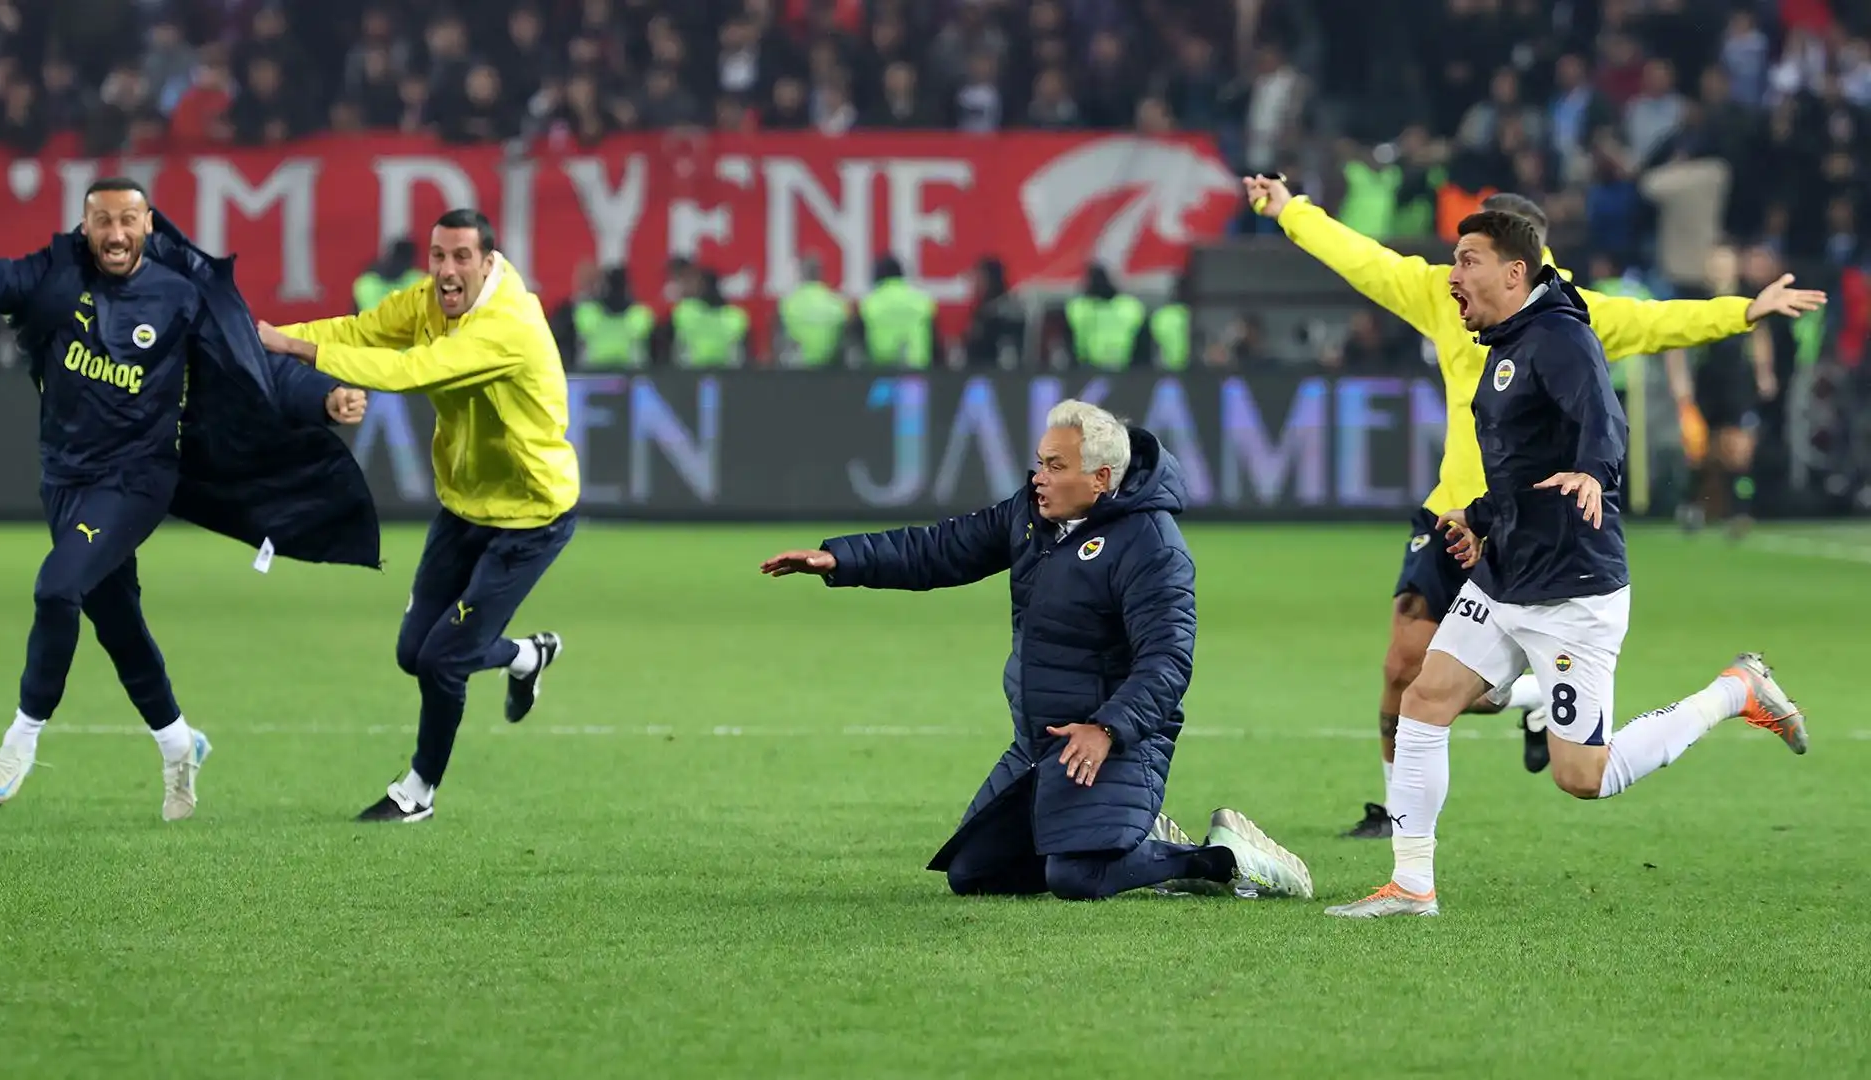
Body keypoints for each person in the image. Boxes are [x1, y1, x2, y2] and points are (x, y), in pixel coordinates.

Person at [1241, 176, 1825, 838]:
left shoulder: (1569, 319)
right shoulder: (1442, 292)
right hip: (1455, 514)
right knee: (1408, 668)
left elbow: (1659, 323)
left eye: (1477, 257)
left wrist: (1743, 310)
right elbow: (1361, 259)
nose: (1462, 271)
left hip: (1529, 531)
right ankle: (1403, 812)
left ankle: (1545, 701)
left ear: (1523, 265)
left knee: (1474, 702)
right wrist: (1290, 209)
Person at [759, 400, 1314, 901]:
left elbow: (1167, 660)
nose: (1038, 478)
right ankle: (1132, 841)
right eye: (1039, 462)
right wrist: (842, 560)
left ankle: (1225, 859)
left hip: (1112, 743)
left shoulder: (1152, 546)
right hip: (1039, 745)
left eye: (1055, 466)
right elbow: (942, 549)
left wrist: (1108, 729)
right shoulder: (1032, 516)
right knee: (975, 874)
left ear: (1100, 478)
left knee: (1076, 877)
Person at [0, 177, 380, 820]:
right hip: (65, 480)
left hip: (139, 479)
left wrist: (320, 397)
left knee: (55, 588)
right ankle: (180, 743)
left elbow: (251, 363)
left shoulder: (180, 293)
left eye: (129, 220)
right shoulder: (54, 276)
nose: (117, 234)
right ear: (84, 225)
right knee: (118, 623)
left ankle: (21, 739)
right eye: (103, 221)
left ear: (149, 223)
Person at [256, 208, 580, 824]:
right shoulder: (431, 301)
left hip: (530, 516)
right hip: (463, 506)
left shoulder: (507, 323)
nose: (447, 271)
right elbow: (363, 330)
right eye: (438, 256)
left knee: (442, 660)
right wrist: (272, 335)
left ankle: (418, 793)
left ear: (490, 263)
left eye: (461, 257)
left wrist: (291, 346)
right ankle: (525, 657)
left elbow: (408, 372)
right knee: (415, 653)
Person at [1666, 245, 1778, 537]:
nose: (1720, 269)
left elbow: (1760, 337)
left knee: (1738, 451)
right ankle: (1694, 504)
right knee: (1700, 451)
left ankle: (1740, 512)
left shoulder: (1746, 300)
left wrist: (1764, 373)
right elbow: (1676, 342)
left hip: (1737, 384)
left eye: (1725, 264)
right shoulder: (1697, 301)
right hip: (1706, 383)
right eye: (1715, 264)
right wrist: (1680, 382)